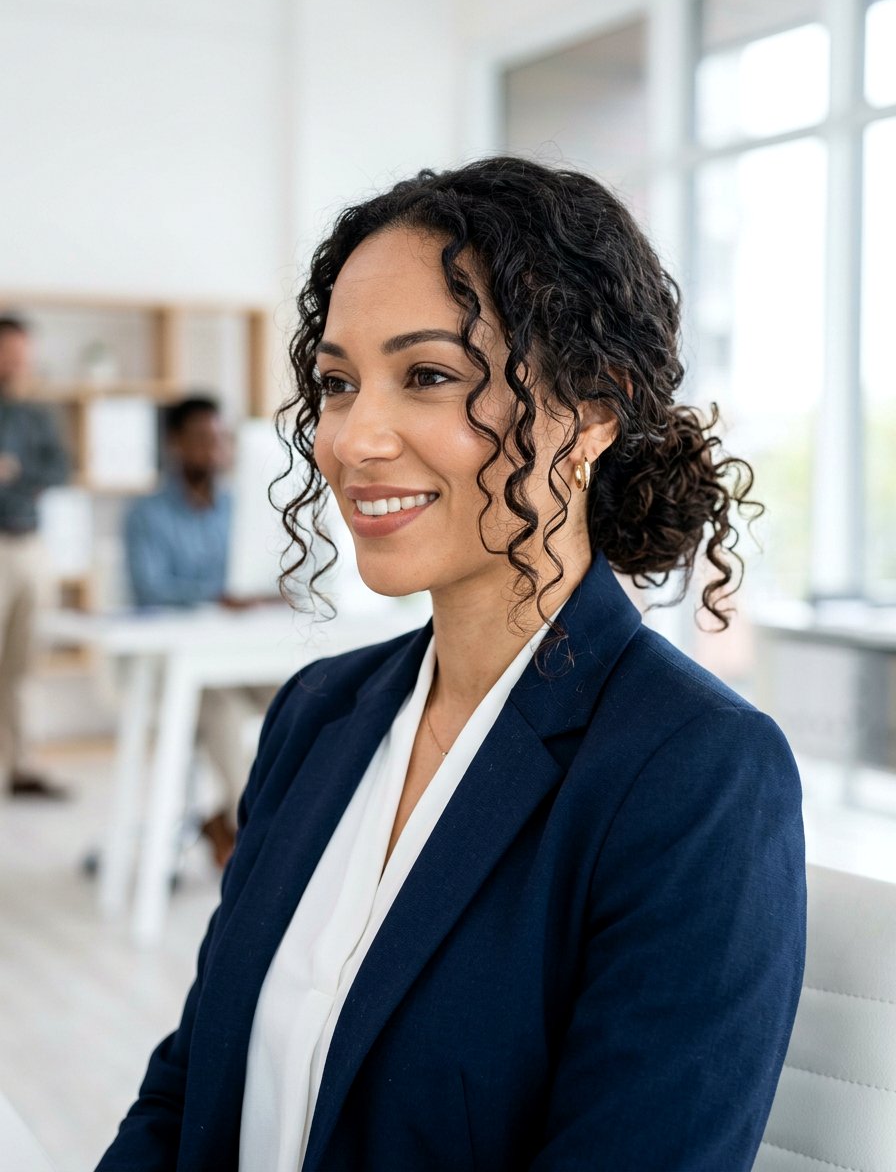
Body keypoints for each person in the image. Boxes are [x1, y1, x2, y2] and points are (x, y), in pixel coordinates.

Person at [98, 158, 806, 1172]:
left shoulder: (695, 772)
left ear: (591, 412)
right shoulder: (317, 713)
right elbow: (188, 1086)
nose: (353, 439)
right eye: (337, 384)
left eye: (427, 376)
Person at [124, 396, 274, 866]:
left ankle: (250, 819)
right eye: (203, 440)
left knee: (304, 694)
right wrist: (219, 596)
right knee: (220, 708)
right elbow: (150, 589)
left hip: (235, 657)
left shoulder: (239, 508)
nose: (215, 451)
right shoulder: (146, 513)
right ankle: (250, 829)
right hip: (172, 666)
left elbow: (254, 573)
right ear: (175, 443)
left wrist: (270, 590)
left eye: (222, 440)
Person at [0, 314, 70, 798]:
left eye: (21, 353)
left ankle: (21, 765)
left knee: (25, 663)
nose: (16, 362)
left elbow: (60, 469)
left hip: (29, 545)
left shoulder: (37, 415)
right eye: (8, 352)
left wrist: (15, 473)